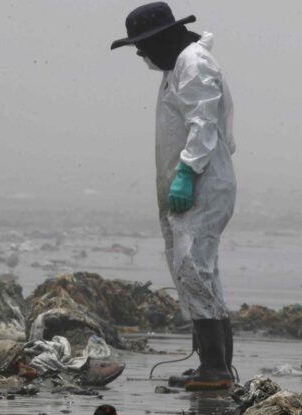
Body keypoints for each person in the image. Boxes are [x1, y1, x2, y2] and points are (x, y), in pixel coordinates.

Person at [111, 2, 236, 391]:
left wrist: (186, 173)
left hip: (200, 183)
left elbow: (204, 124)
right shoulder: (177, 66)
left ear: (162, 37)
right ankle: (212, 366)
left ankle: (216, 369)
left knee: (194, 269)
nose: (140, 54)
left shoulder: (194, 64)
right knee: (194, 272)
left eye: (142, 45)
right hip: (188, 184)